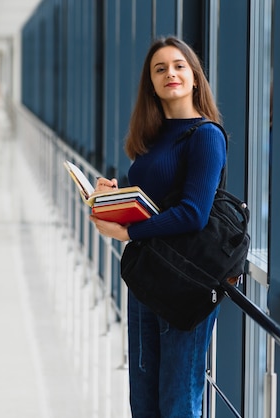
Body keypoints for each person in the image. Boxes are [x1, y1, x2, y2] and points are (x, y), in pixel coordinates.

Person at [90, 36, 226, 417]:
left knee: (177, 401)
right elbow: (151, 202)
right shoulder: (151, 139)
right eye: (160, 68)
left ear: (195, 77)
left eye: (180, 66)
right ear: (150, 82)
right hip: (148, 279)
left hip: (186, 284)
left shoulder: (206, 136)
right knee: (144, 400)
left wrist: (128, 233)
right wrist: (113, 196)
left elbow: (193, 213)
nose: (171, 74)